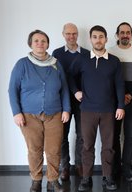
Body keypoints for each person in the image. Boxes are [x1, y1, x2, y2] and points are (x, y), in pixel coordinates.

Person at [8, 29, 70, 192]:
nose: (40, 44)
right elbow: (12, 90)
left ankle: (52, 180)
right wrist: (16, 112)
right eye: (36, 41)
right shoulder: (22, 64)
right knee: (34, 149)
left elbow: (64, 89)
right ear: (31, 44)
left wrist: (67, 109)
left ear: (48, 44)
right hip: (29, 115)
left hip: (55, 114)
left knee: (54, 149)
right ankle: (36, 180)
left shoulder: (56, 64)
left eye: (43, 41)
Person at [69, 25, 125, 192]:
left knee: (108, 146)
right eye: (95, 37)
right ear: (90, 39)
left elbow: (120, 85)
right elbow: (69, 76)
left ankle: (107, 177)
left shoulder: (114, 61)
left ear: (106, 39)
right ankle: (86, 178)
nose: (98, 40)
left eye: (101, 37)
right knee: (87, 145)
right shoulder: (82, 59)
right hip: (87, 110)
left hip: (108, 110)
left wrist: (121, 106)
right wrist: (76, 91)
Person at [108, 22, 132, 181]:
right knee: (114, 134)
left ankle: (126, 166)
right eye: (122, 32)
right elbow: (106, 77)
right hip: (113, 99)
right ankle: (115, 166)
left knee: (130, 134)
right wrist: (119, 96)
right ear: (117, 35)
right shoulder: (109, 52)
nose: (125, 35)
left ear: (131, 35)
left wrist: (129, 95)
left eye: (128, 32)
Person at [52, 23, 90, 181]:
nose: (71, 36)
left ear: (78, 35)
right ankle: (64, 167)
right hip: (62, 100)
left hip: (83, 100)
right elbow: (56, 77)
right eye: (68, 34)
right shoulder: (57, 53)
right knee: (62, 136)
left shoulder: (87, 54)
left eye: (74, 33)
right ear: (63, 34)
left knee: (82, 135)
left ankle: (80, 166)